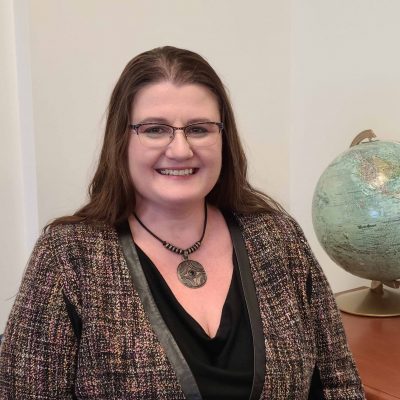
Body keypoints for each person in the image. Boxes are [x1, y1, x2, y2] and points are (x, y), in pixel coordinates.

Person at [0, 46, 365, 399]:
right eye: (155, 129)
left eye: (199, 129)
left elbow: (338, 384)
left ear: (223, 137)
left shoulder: (278, 238)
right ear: (121, 139)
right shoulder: (68, 256)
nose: (179, 149)